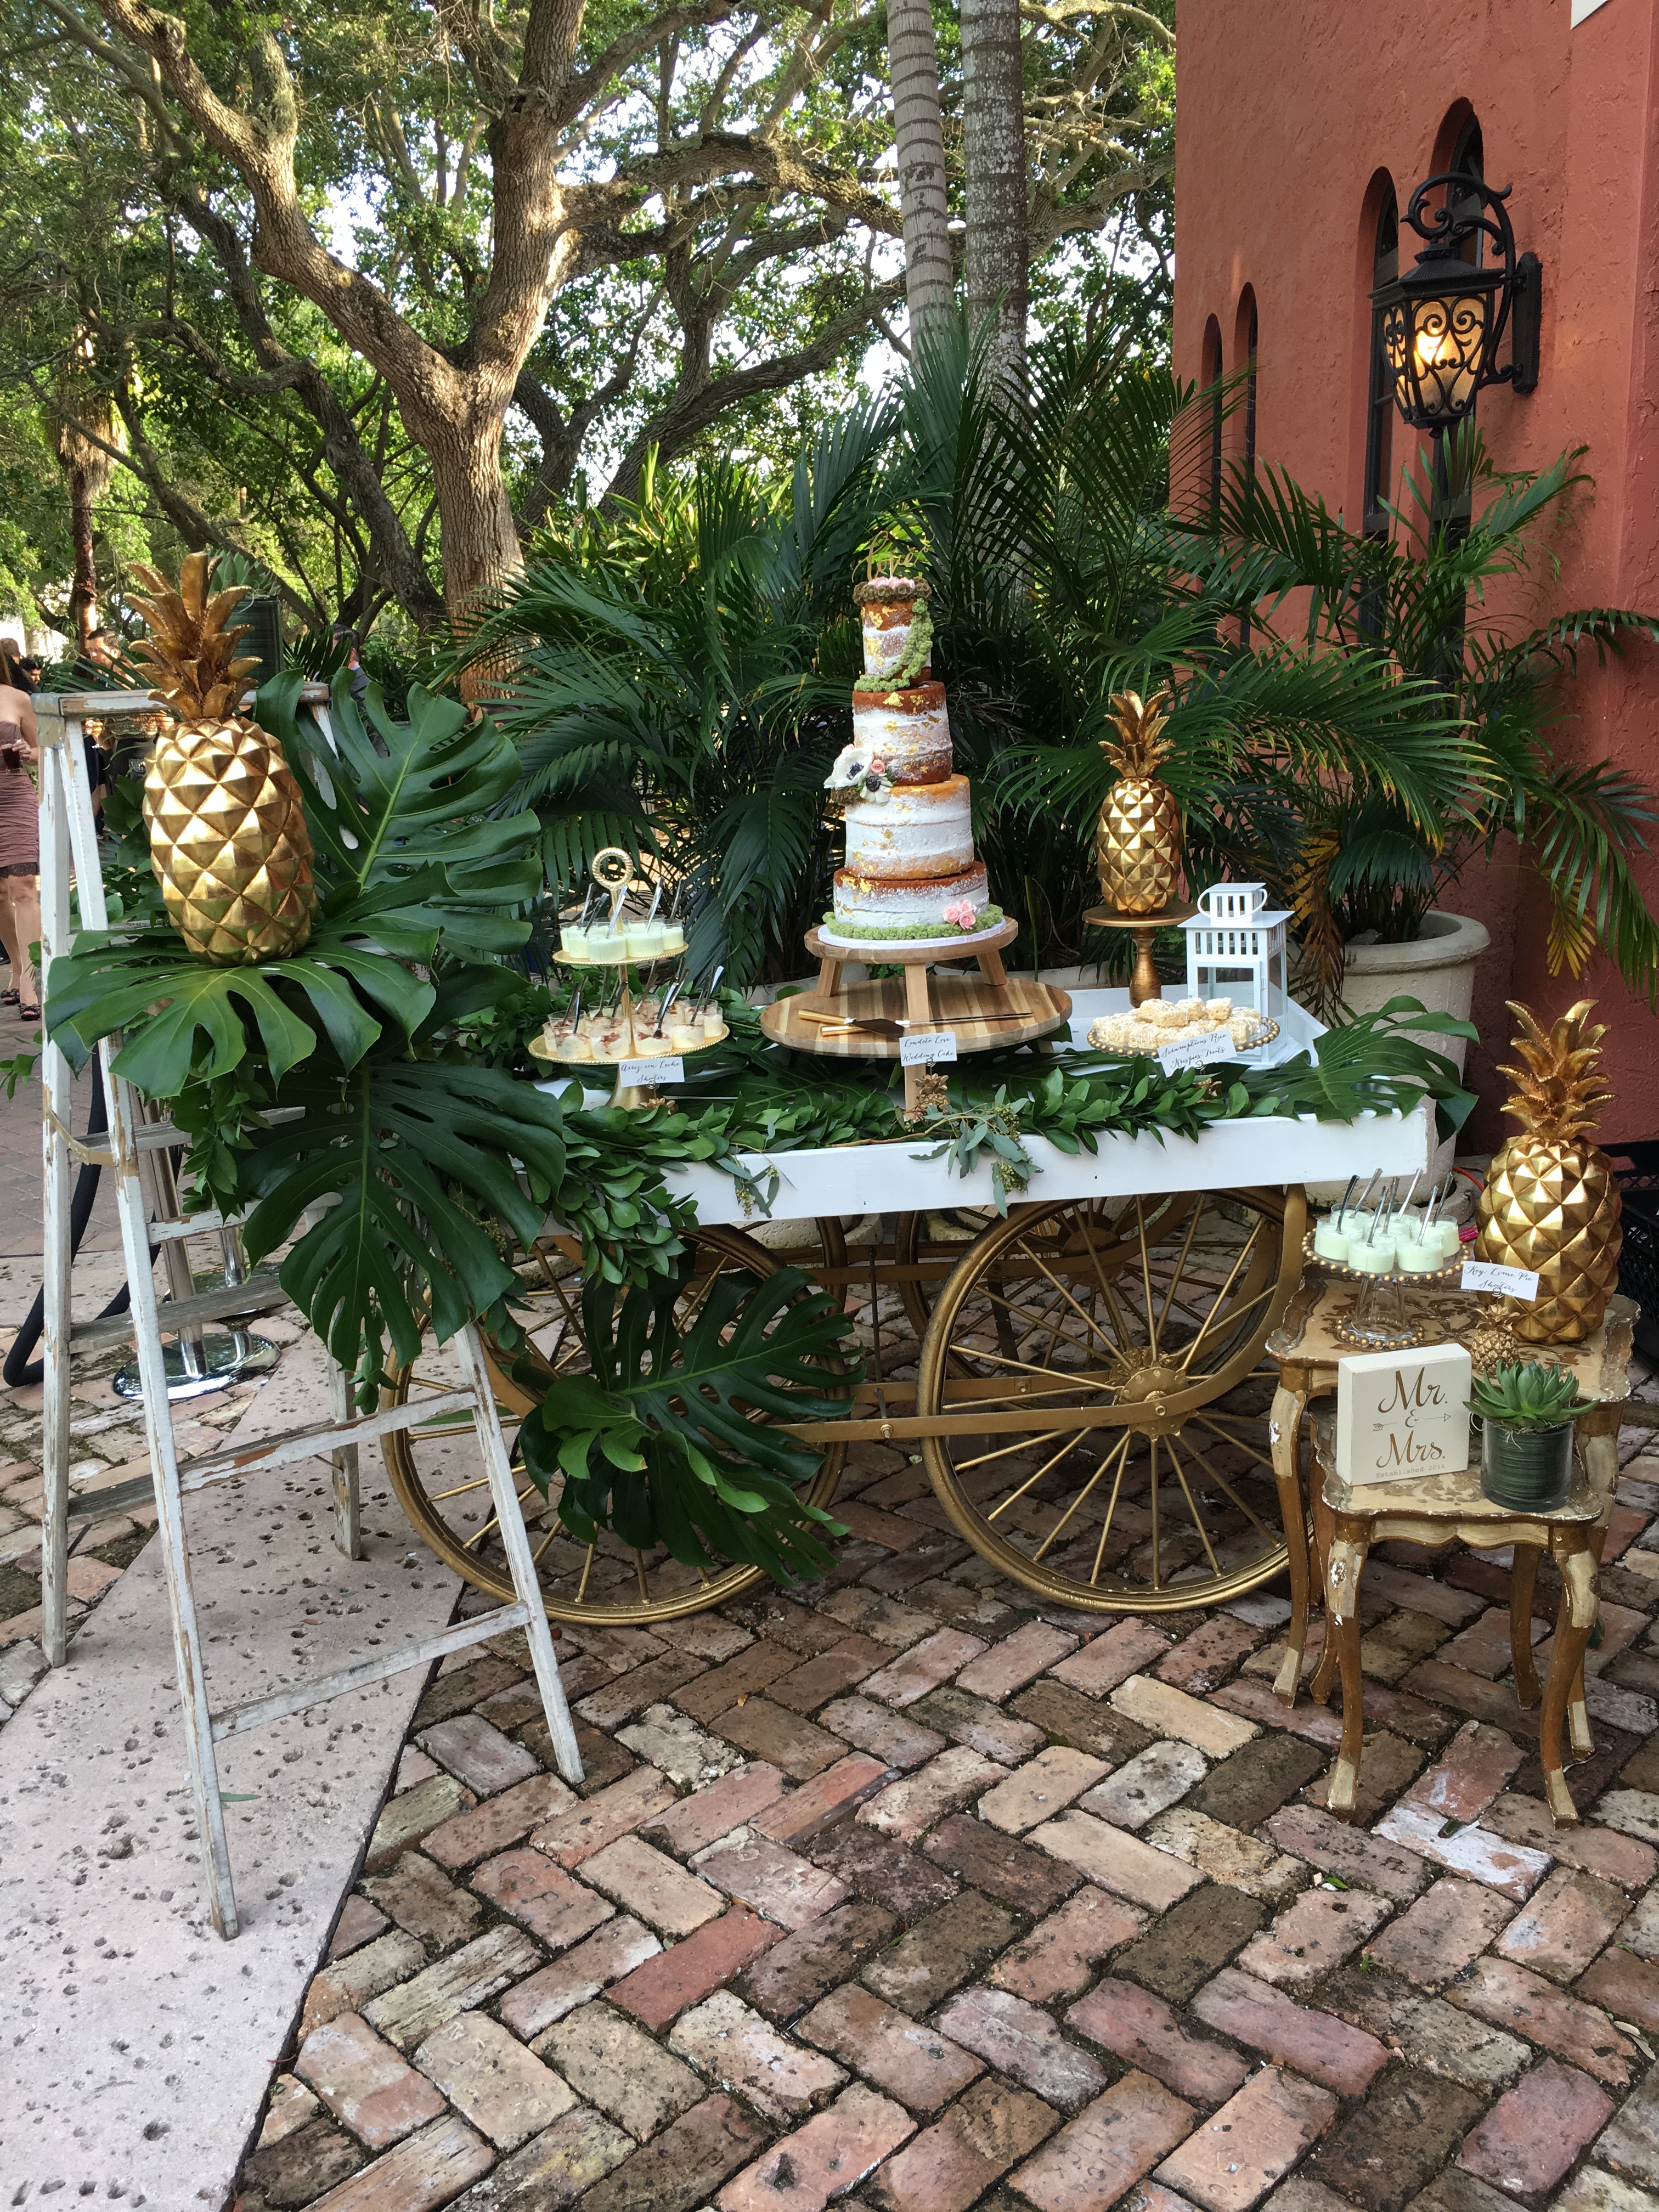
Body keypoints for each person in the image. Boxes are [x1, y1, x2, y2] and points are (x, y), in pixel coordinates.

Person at [0, 645, 40, 1019]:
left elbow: (45, 750)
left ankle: (30, 981)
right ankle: (15, 966)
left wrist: (29, 752)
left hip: (13, 797)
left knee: (23, 887)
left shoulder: (18, 699)